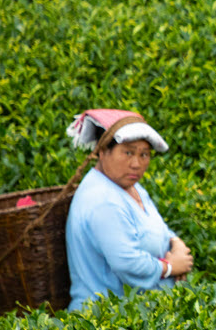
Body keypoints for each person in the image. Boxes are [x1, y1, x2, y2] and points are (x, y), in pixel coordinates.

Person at [65, 110, 193, 311]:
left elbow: (158, 228)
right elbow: (126, 262)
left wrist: (177, 245)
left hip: (140, 312)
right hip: (104, 319)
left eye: (144, 154)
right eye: (128, 152)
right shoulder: (102, 200)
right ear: (102, 151)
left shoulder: (130, 186)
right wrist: (170, 268)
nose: (137, 164)